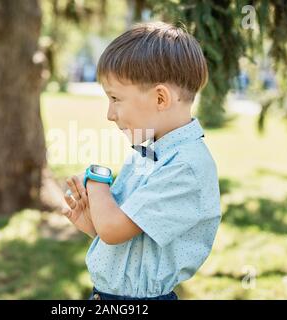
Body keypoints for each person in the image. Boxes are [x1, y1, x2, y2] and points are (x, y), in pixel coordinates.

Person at [61, 21, 221, 300]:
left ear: (160, 98)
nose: (109, 114)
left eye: (115, 98)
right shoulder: (151, 153)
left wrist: (98, 184)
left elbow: (113, 229)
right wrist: (92, 223)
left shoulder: (185, 167)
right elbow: (129, 240)